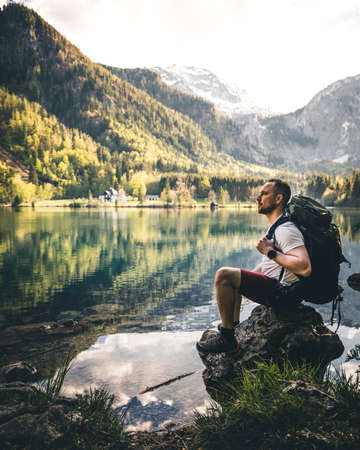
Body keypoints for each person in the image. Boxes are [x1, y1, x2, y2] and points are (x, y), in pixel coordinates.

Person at [196, 179, 312, 354]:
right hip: (278, 289)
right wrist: (244, 279)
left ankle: (227, 338)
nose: (258, 198)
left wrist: (269, 252)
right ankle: (232, 328)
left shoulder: (286, 230)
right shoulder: (277, 226)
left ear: (279, 198)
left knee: (223, 275)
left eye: (264, 194)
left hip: (284, 294)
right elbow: (271, 267)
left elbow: (304, 267)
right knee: (233, 279)